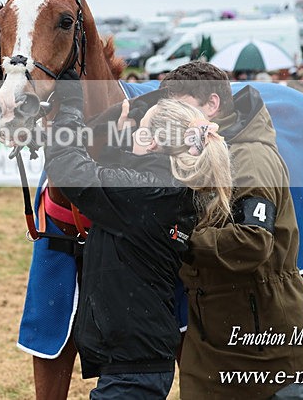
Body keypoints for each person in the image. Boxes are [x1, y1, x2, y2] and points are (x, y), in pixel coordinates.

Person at [44, 70, 232, 399]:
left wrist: (71, 108)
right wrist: (119, 148)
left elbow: (66, 168)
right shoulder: (169, 188)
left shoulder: (147, 193)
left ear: (155, 142)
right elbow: (130, 184)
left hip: (133, 367)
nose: (133, 136)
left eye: (141, 130)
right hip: (140, 357)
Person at [158, 62, 303, 400]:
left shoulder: (250, 158)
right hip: (215, 340)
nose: (174, 116)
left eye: (181, 105)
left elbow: (252, 241)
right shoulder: (200, 154)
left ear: (212, 106)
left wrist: (182, 239)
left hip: (267, 345)